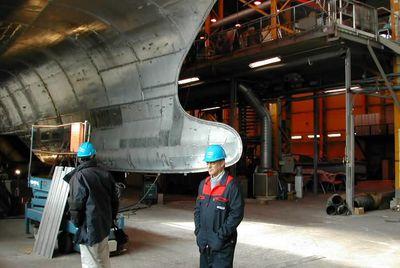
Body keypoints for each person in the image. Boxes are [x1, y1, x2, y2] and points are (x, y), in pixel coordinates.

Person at [66, 142, 119, 268]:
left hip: (89, 227)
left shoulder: (79, 176)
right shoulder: (105, 174)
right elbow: (115, 200)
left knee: (90, 262)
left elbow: (76, 204)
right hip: (104, 225)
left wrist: (76, 222)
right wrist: (111, 219)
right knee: (103, 258)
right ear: (93, 156)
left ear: (79, 158)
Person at [194, 144, 245, 268]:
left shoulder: (231, 186)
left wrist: (220, 236)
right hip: (204, 244)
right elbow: (197, 211)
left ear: (222, 163)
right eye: (208, 162)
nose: (209, 166)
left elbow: (236, 215)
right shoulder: (203, 184)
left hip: (222, 246)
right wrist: (198, 232)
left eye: (213, 162)